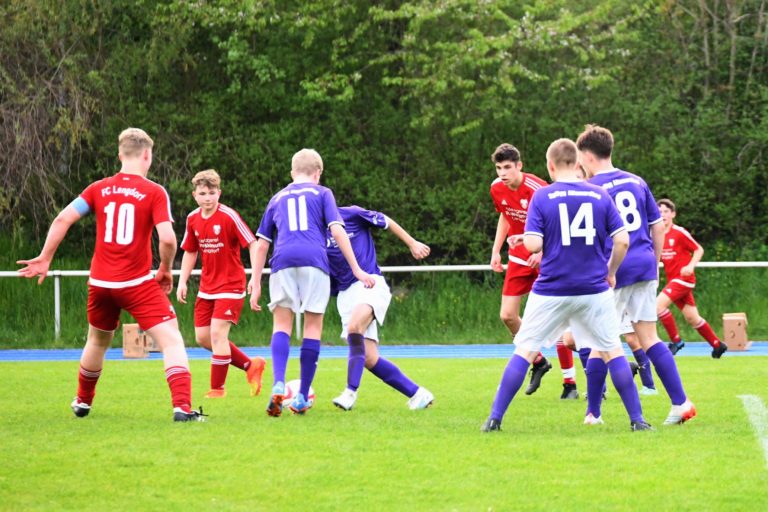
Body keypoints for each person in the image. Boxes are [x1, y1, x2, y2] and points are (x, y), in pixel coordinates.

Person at [17, 128, 203, 422]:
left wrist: (46, 257)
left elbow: (64, 217)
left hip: (100, 283)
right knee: (170, 339)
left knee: (97, 341)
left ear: (120, 155)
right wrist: (165, 268)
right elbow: (167, 239)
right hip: (136, 283)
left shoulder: (98, 188)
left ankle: (82, 402)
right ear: (147, 155)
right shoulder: (154, 192)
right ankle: (182, 407)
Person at [481, 138, 651, 432]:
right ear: (578, 164)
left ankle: (494, 419)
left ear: (549, 166)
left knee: (524, 350)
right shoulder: (599, 195)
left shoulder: (543, 196)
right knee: (612, 351)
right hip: (594, 289)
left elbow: (534, 244)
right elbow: (622, 240)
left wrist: (526, 239)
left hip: (551, 289)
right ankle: (637, 420)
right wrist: (610, 272)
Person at [578, 124, 695, 425]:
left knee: (600, 340)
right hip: (644, 265)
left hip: (613, 270)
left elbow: (591, 238)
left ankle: (593, 413)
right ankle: (680, 403)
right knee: (650, 338)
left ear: (588, 156)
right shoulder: (636, 181)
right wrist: (654, 262)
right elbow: (657, 226)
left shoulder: (591, 190)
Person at [249, 149, 375, 416]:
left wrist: (256, 282)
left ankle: (278, 383)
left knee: (281, 324)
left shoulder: (277, 197)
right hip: (314, 261)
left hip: (281, 261)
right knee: (312, 325)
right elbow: (337, 230)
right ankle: (302, 396)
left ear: (292, 173)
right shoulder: (322, 193)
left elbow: (262, 244)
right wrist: (358, 269)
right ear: (317, 173)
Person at [327, 206, 434, 411]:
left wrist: (412, 243)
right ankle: (418, 394)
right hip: (344, 294)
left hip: (370, 284)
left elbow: (386, 220)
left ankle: (350, 392)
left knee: (354, 327)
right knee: (368, 358)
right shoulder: (313, 231)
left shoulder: (351, 214)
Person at [176, 169, 266, 399]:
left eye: (212, 193)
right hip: (207, 287)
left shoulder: (228, 216)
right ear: (194, 195)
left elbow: (253, 244)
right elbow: (190, 251)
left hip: (231, 285)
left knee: (217, 335)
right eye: (203, 193)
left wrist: (254, 279)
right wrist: (182, 281)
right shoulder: (192, 218)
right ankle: (250, 366)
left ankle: (217, 389)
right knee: (203, 338)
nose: (208, 197)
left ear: (219, 193)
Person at [489, 143, 569, 398]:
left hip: (546, 259)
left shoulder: (538, 188)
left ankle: (576, 379)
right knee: (507, 315)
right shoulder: (496, 188)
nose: (502, 172)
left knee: (561, 325)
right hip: (517, 259)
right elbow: (505, 216)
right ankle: (538, 362)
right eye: (499, 168)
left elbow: (557, 223)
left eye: (507, 167)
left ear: (519, 166)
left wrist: (542, 252)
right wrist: (495, 250)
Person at [656, 198, 727, 358]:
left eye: (666, 211)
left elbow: (698, 249)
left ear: (673, 214)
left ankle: (676, 341)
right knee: (692, 318)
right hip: (673, 281)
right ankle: (717, 345)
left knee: (657, 307)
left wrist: (690, 266)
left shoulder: (679, 232)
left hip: (683, 280)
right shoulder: (659, 235)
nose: (663, 215)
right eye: (659, 212)